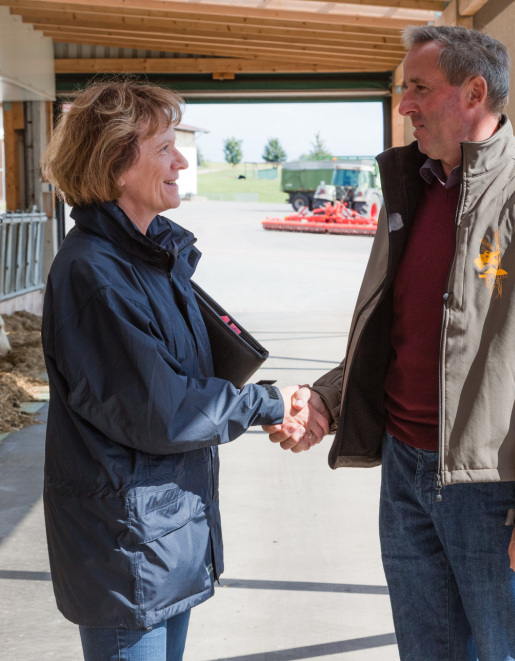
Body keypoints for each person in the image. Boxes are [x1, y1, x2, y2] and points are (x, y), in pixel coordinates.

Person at [266, 25, 515, 660]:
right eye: (403, 90)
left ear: (474, 93)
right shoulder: (414, 189)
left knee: (506, 654)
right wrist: (326, 398)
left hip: (493, 490)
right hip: (405, 472)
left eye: (419, 88)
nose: (405, 106)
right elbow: (400, 335)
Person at [40, 80, 325, 661]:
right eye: (164, 147)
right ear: (117, 163)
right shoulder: (95, 273)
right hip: (127, 548)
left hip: (160, 535)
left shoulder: (148, 257)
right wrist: (271, 403)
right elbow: (163, 408)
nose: (182, 160)